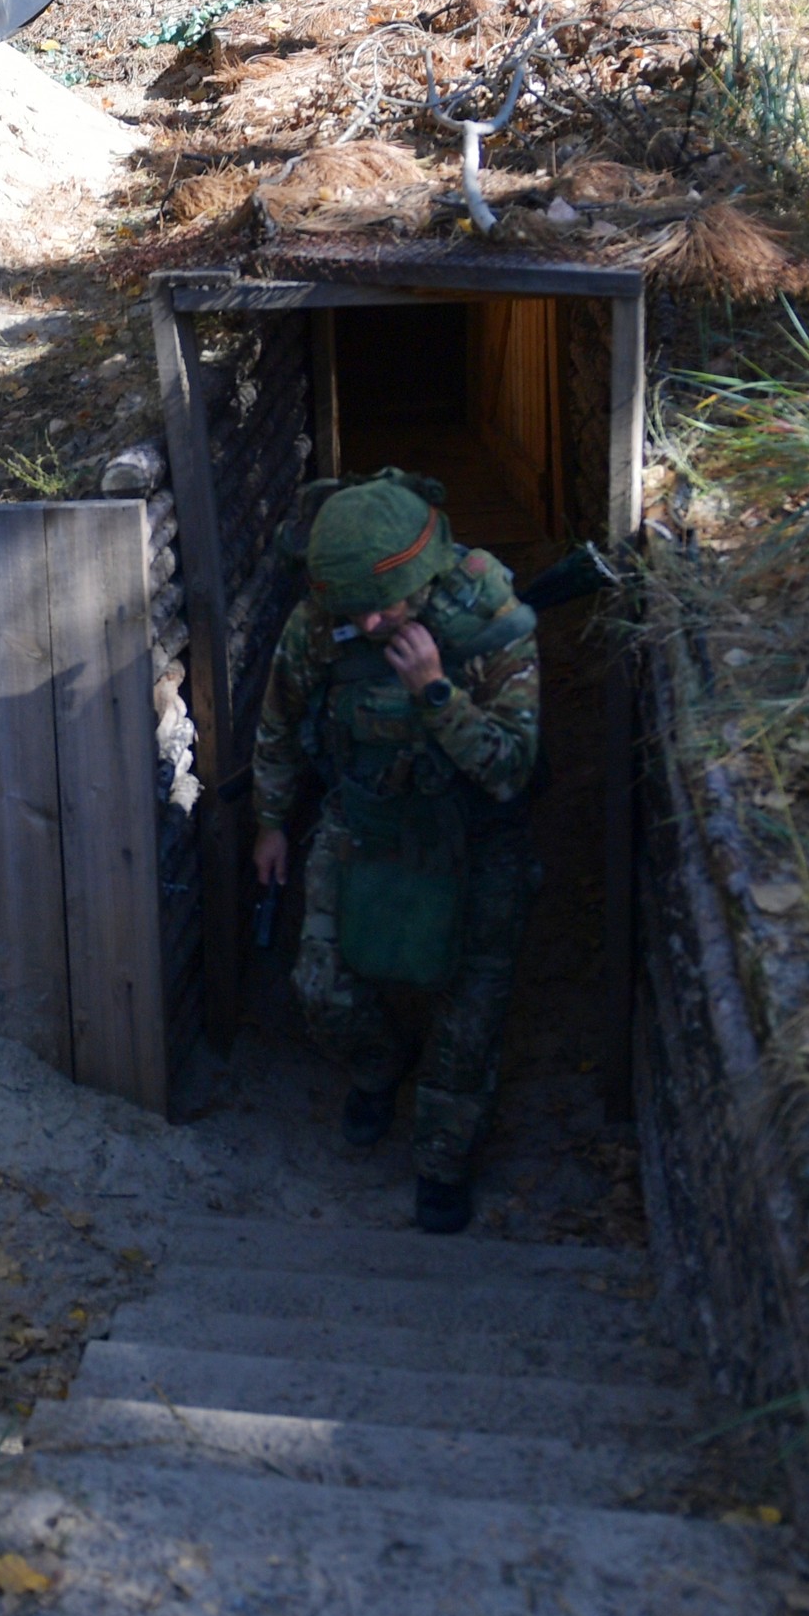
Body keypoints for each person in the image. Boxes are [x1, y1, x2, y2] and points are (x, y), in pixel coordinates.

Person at [249, 472, 543, 1235]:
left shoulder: (492, 619)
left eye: (385, 604)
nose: (371, 621)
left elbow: (511, 769)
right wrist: (273, 822)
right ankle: (380, 1067)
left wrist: (436, 693)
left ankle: (441, 1161)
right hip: (365, 819)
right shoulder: (322, 621)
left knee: (467, 1023)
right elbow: (279, 723)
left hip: (474, 837)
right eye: (355, 609)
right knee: (320, 987)